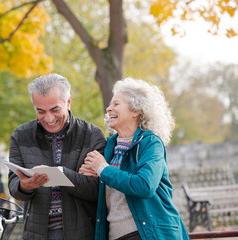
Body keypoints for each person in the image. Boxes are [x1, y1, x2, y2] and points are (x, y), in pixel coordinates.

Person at [79, 77, 189, 240]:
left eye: (116, 104)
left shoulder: (151, 143)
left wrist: (103, 169)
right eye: (110, 105)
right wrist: (91, 175)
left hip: (149, 235)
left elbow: (145, 186)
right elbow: (111, 188)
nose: (108, 109)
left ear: (136, 110)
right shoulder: (108, 146)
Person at [8, 73, 106, 240]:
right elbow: (13, 186)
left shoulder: (92, 135)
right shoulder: (20, 135)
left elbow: (98, 190)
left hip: (82, 234)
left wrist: (61, 174)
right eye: (40, 111)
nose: (48, 118)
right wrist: (25, 186)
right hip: (38, 235)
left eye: (55, 109)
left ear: (68, 102)